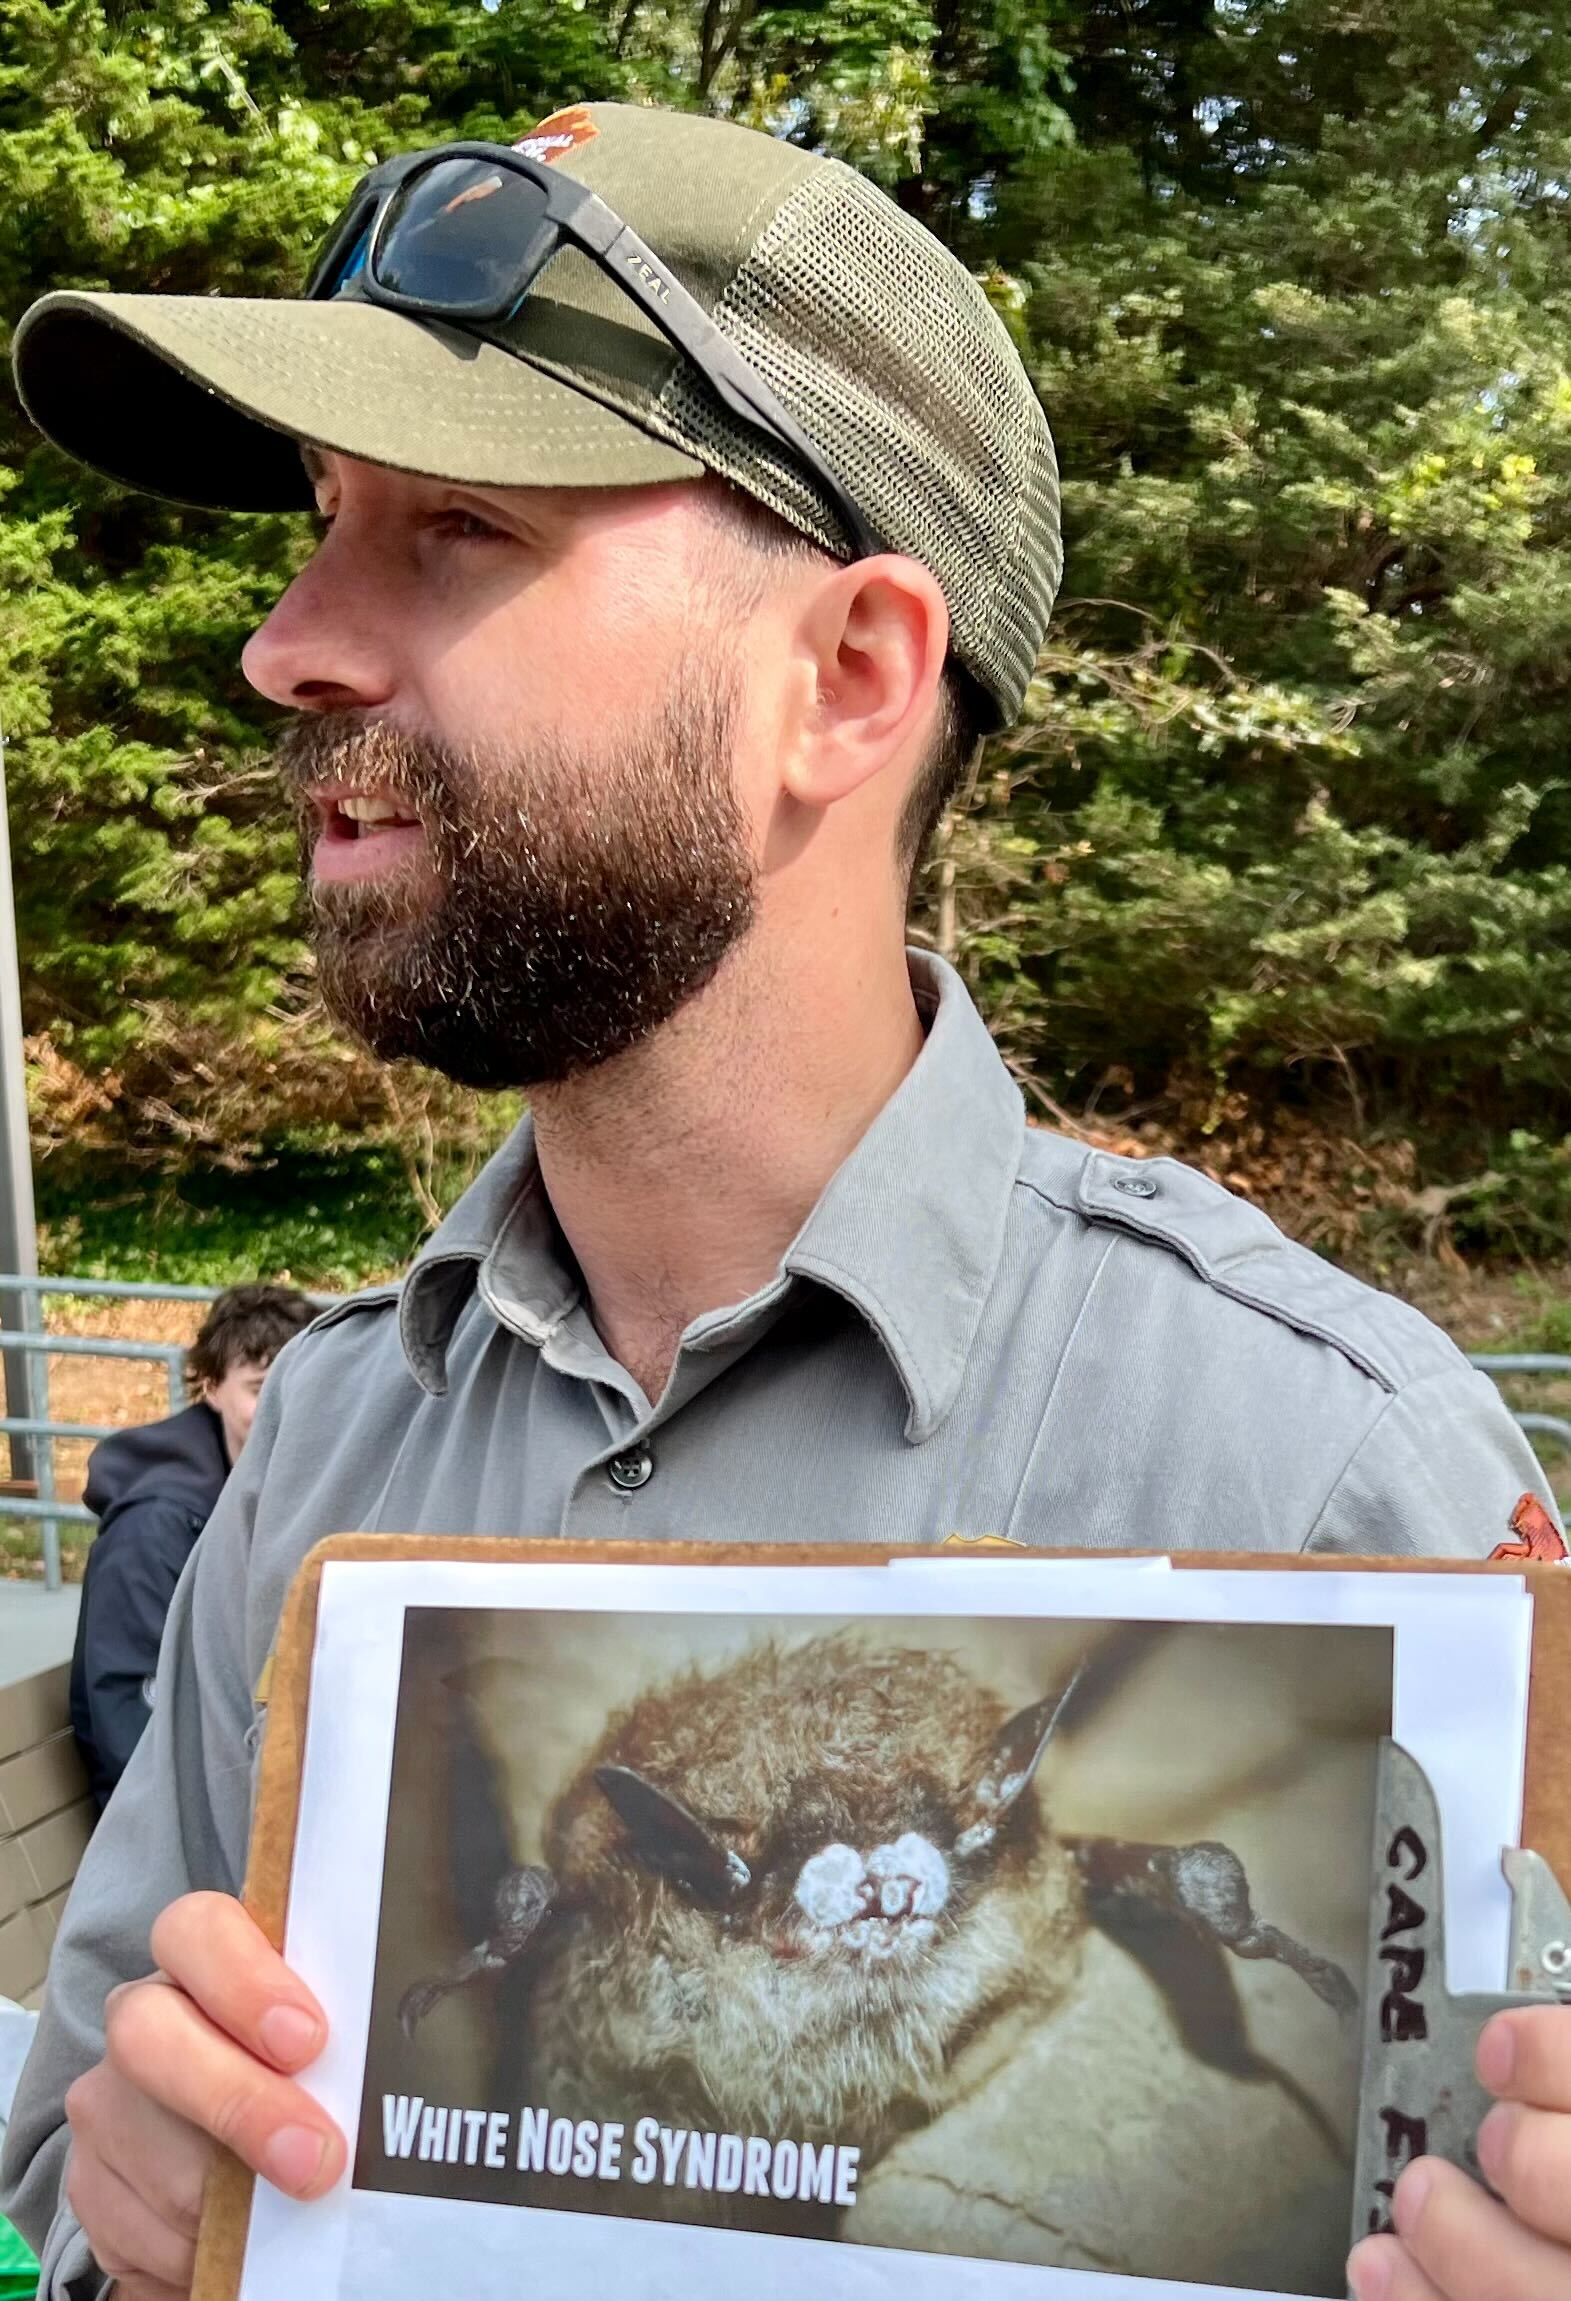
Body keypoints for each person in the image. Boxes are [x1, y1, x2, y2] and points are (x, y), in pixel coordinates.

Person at [2, 98, 1568, 2301]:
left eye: (450, 529)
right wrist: (137, 2225)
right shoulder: (329, 1453)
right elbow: (63, 2168)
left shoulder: (1327, 1469)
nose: (288, 642)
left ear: (841, 680)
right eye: (321, 525)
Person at [68, 1285, 316, 1812]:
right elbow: (134, 1734)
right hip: (171, 1828)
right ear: (210, 1388)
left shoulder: (282, 1495)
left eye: (302, 1386)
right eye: (260, 1389)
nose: (285, 1409)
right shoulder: (154, 1528)